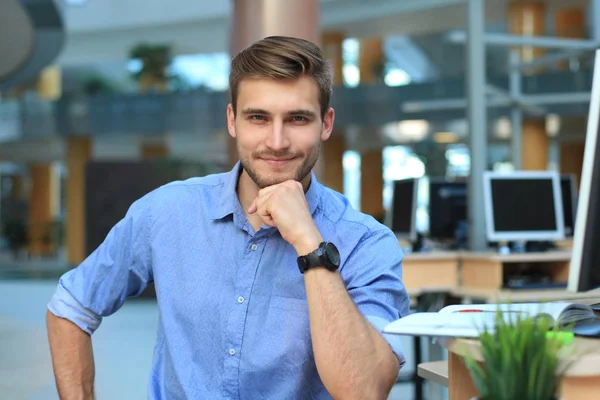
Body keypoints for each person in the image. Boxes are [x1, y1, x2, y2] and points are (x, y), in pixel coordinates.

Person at [46, 36, 410, 400]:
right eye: (258, 118)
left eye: (297, 118)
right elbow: (71, 306)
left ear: (326, 124)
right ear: (233, 120)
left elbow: (363, 390)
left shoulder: (366, 242)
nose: (277, 141)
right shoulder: (167, 211)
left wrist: (309, 243)